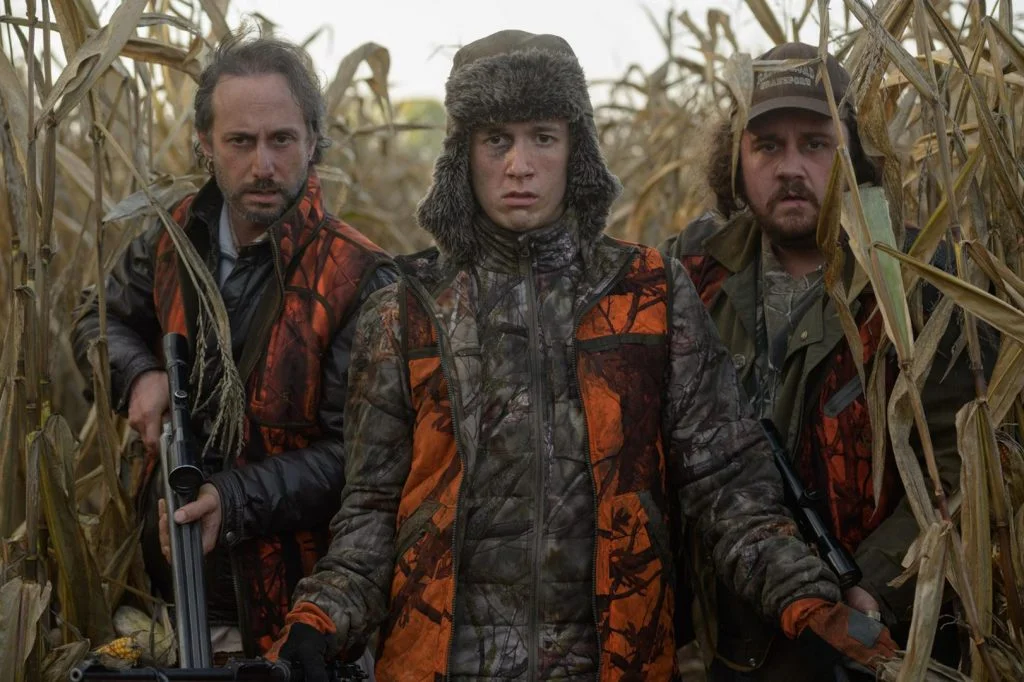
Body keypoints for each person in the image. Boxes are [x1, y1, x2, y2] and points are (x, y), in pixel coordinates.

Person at [263, 31, 898, 682]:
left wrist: (807, 602)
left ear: (577, 150)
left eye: (543, 136)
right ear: (462, 155)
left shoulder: (650, 293)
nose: (520, 165)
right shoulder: (405, 309)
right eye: (496, 140)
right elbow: (370, 515)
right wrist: (319, 618)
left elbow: (729, 489)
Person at [71, 30, 396, 658]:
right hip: (161, 605)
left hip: (294, 627)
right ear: (205, 143)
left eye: (282, 140)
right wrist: (137, 374)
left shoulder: (358, 277)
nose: (263, 166)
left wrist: (233, 500)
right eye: (240, 142)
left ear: (313, 140)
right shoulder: (169, 240)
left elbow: (360, 462)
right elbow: (96, 319)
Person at [661, 42, 981, 680]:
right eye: (767, 146)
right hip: (735, 643)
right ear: (736, 161)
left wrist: (876, 584)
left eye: (815, 144)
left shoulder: (919, 281)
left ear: (853, 154)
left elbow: (965, 458)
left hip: (874, 637)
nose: (790, 168)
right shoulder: (688, 274)